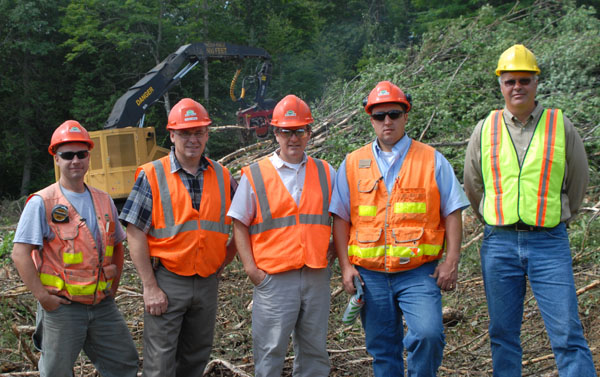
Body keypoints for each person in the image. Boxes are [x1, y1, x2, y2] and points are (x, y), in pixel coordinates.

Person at [464, 44, 597, 377]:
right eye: (510, 81)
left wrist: (560, 217)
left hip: (549, 242)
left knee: (567, 333)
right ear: (501, 84)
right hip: (500, 244)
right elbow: (473, 183)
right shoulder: (485, 128)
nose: (517, 87)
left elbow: (578, 181)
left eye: (524, 80)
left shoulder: (560, 125)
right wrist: (493, 219)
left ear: (536, 82)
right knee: (503, 334)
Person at [330, 81, 469, 376]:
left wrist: (451, 262)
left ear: (406, 115)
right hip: (370, 275)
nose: (387, 121)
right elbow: (340, 218)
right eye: (379, 116)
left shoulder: (432, 159)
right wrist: (345, 266)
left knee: (428, 334)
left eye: (393, 114)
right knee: (383, 349)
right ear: (371, 120)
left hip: (418, 273)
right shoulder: (353, 163)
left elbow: (453, 211)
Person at [119, 98, 237, 377]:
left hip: (207, 281)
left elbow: (243, 225)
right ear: (171, 135)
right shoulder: (153, 175)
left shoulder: (222, 176)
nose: (192, 140)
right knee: (160, 362)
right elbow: (134, 232)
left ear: (207, 134)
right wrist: (150, 286)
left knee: (196, 357)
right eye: (185, 133)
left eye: (198, 132)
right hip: (167, 282)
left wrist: (222, 262)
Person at [11, 120, 138, 377]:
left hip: (102, 305)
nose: (75, 160)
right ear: (56, 159)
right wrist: (43, 298)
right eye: (67, 155)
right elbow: (20, 254)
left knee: (124, 364)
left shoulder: (104, 200)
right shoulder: (42, 202)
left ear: (89, 157)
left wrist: (112, 288)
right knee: (57, 372)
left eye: (81, 154)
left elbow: (117, 245)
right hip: (62, 308)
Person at [228, 94, 335, 377]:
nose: (293, 138)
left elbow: (342, 216)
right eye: (286, 131)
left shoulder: (326, 172)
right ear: (275, 133)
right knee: (270, 351)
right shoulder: (255, 175)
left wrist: (335, 249)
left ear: (309, 133)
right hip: (273, 278)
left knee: (314, 350)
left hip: (315, 275)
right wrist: (252, 270)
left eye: (300, 131)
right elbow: (239, 223)